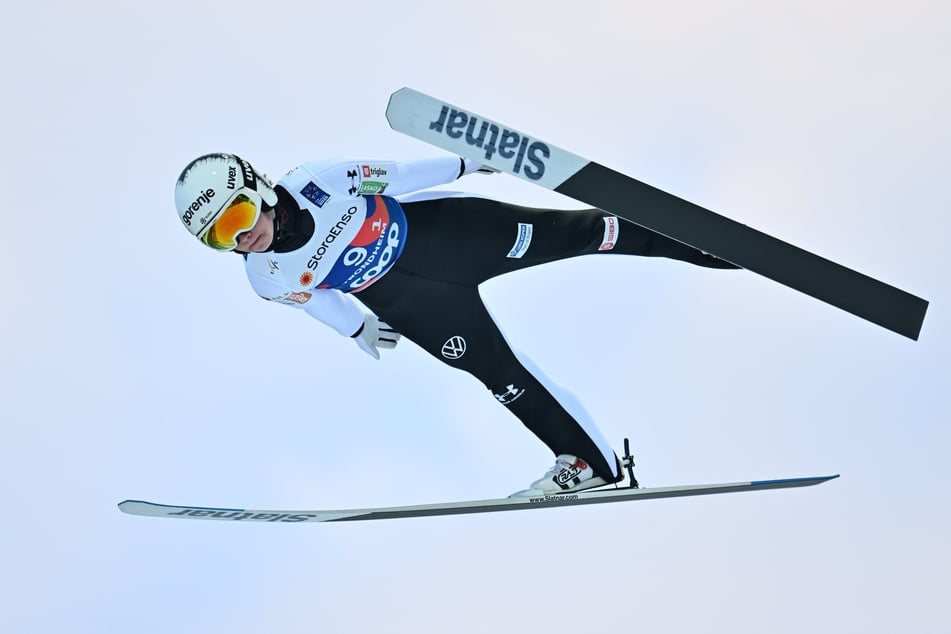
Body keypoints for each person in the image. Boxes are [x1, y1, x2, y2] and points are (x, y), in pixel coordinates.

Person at [174, 153, 737, 497]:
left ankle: (701, 245)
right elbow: (314, 300)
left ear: (261, 191)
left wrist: (466, 162)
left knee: (582, 233)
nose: (242, 238)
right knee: (501, 378)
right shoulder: (265, 276)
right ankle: (589, 461)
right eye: (222, 237)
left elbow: (400, 176)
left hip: (448, 237)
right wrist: (357, 330)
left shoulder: (319, 180)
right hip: (410, 302)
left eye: (240, 218)